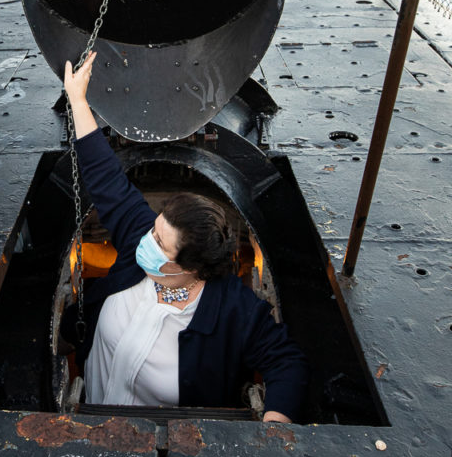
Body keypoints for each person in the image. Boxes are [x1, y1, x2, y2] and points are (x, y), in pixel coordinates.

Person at [64, 52, 308, 418]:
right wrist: (78, 101)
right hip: (94, 414)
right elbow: (106, 178)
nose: (147, 241)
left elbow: (286, 361)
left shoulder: (233, 309)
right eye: (156, 228)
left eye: (160, 244)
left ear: (193, 268)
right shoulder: (138, 236)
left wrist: (275, 422)